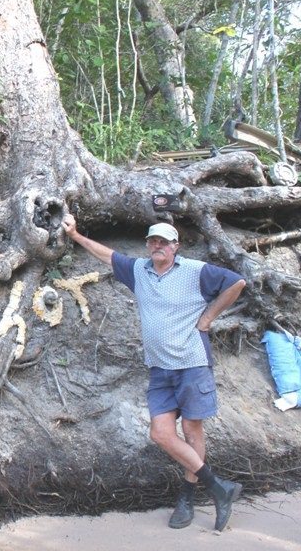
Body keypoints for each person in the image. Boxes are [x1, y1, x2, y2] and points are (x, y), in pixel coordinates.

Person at [62, 214, 247, 532]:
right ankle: (219, 488)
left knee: (192, 433)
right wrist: (76, 235)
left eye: (164, 241)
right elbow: (108, 255)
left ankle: (187, 498)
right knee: (160, 433)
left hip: (191, 363)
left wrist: (207, 320)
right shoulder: (140, 271)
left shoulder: (194, 271)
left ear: (176, 246)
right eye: (152, 241)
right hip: (160, 369)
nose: (157, 246)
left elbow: (236, 283)